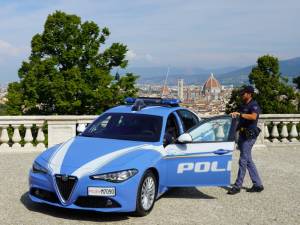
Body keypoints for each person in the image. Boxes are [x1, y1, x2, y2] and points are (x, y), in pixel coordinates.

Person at [227, 86, 264, 195]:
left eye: (243, 94)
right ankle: (258, 185)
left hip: (250, 136)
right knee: (248, 160)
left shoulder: (254, 105)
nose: (241, 95)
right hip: (243, 134)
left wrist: (241, 114)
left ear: (249, 94)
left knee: (243, 160)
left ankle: (237, 186)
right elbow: (240, 118)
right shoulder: (243, 105)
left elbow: (253, 117)